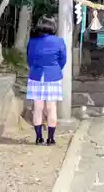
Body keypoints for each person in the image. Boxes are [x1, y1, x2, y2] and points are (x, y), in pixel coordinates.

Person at [26, 16, 66, 145]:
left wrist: (36, 67)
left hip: (36, 75)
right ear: (53, 27)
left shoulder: (33, 41)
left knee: (37, 107)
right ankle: (51, 138)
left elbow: (30, 59)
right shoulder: (59, 41)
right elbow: (62, 60)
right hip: (53, 76)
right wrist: (55, 69)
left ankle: (38, 138)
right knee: (51, 108)